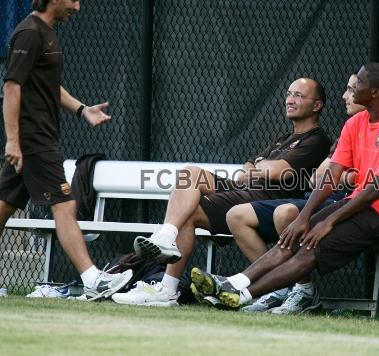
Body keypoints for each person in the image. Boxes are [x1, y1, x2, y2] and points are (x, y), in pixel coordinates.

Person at [190, 63, 379, 311]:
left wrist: (328, 222)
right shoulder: (356, 124)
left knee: (309, 250)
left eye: (359, 84)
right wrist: (304, 217)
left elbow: (375, 190)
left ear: (375, 92)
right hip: (357, 203)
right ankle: (233, 284)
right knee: (293, 236)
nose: (352, 90)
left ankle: (242, 294)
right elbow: (331, 176)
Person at [111, 77, 332, 307]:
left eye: (298, 95)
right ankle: (167, 278)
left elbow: (278, 172)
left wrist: (258, 169)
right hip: (245, 192)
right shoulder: (283, 139)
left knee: (190, 205)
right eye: (288, 94)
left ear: (317, 105)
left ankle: (276, 284)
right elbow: (245, 170)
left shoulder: (317, 139)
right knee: (190, 175)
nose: (290, 100)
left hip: (268, 200)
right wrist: (259, 169)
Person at [1, 0, 132, 300]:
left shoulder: (47, 32)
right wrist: (12, 140)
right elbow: (11, 87)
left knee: (3, 206)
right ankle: (92, 279)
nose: (78, 6)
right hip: (34, 141)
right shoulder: (29, 34)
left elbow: (50, 86)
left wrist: (83, 110)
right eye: (72, 0)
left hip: (39, 138)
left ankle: (91, 278)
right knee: (64, 203)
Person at [223, 74, 365, 314]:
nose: (345, 96)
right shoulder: (350, 127)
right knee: (233, 213)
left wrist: (348, 177)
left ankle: (297, 292)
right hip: (318, 196)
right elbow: (317, 177)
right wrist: (349, 175)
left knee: (286, 212)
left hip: (349, 204)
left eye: (352, 90)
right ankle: (276, 289)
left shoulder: (320, 138)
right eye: (289, 94)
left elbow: (375, 182)